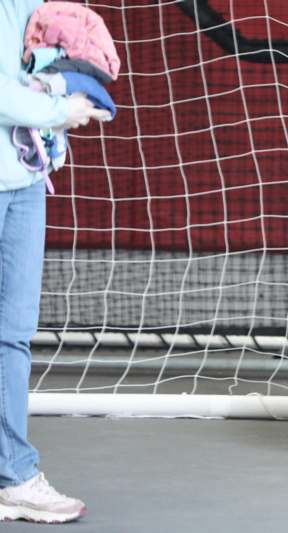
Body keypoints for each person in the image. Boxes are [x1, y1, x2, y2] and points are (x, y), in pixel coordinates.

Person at [0, 0, 109, 524]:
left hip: (23, 183)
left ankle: (14, 475)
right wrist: (58, 110)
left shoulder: (39, 6)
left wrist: (68, 86)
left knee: (14, 333)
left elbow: (29, 79)